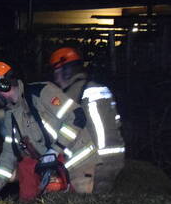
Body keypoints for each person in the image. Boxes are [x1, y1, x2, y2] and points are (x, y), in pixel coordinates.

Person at [0, 61, 85, 202]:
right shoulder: (11, 115)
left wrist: (55, 150)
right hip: (59, 165)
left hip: (78, 161)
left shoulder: (41, 92)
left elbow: (76, 116)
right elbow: (9, 154)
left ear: (1, 85)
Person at [49, 47, 125, 193]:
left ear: (66, 70)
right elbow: (116, 123)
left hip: (91, 164)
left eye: (56, 72)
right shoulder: (100, 88)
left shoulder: (71, 95)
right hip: (114, 159)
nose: (55, 78)